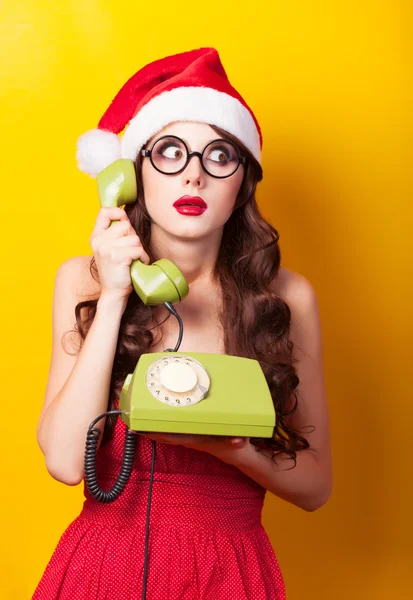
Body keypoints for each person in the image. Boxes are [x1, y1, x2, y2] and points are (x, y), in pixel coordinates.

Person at [33, 47, 332, 599]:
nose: (193, 175)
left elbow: (315, 486)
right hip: (104, 568)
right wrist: (117, 293)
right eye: (169, 151)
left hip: (229, 572)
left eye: (220, 155)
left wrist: (233, 449)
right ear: (132, 174)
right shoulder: (85, 280)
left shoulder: (286, 298)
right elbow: (64, 460)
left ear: (243, 182)